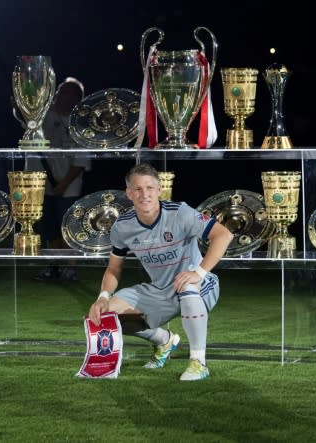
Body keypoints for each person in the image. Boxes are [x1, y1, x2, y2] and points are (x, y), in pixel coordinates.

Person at [87, 163, 234, 381]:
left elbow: (223, 235)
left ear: (159, 190)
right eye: (137, 189)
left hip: (200, 284)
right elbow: (113, 269)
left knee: (188, 287)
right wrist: (102, 297)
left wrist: (199, 272)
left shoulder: (180, 213)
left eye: (149, 188)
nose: (144, 194)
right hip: (161, 290)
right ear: (129, 193)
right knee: (105, 315)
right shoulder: (122, 227)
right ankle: (164, 340)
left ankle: (198, 363)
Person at [23, 77, 91, 281]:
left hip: (68, 187)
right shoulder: (41, 115)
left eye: (72, 94)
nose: (66, 97)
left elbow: (82, 160)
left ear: (79, 98)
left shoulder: (80, 123)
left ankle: (71, 268)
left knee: (68, 227)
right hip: (41, 185)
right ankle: (52, 265)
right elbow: (23, 118)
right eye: (63, 92)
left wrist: (63, 184)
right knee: (49, 228)